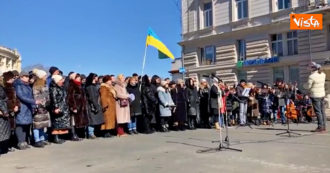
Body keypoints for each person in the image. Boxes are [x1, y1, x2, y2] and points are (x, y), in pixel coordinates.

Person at [14, 72, 40, 149]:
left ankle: (24, 141)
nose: (27, 78)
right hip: (21, 107)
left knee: (26, 125)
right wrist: (33, 102)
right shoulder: (18, 85)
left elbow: (31, 96)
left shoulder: (28, 85)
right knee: (20, 125)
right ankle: (20, 142)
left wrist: (33, 105)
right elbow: (21, 96)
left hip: (28, 107)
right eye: (25, 76)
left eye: (28, 76)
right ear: (21, 77)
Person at [31, 69, 51, 148]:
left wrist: (48, 102)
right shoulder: (36, 85)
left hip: (45, 107)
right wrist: (42, 102)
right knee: (37, 125)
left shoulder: (45, 84)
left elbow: (47, 95)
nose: (46, 77)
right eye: (44, 75)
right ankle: (37, 140)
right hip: (39, 107)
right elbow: (36, 97)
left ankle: (42, 138)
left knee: (43, 124)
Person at [49, 75, 71, 144]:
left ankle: (59, 137)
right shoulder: (54, 88)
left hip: (62, 107)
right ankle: (55, 138)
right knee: (56, 123)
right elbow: (54, 98)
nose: (62, 81)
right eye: (61, 80)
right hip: (57, 107)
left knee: (60, 123)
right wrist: (56, 107)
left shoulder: (61, 87)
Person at [67, 73, 89, 140]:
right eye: (78, 77)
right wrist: (73, 106)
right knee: (73, 121)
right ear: (74, 78)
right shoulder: (72, 85)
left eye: (79, 77)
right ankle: (73, 135)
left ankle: (78, 134)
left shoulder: (79, 85)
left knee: (78, 121)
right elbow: (70, 97)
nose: (79, 78)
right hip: (76, 106)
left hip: (80, 106)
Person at [306, 62, 326, 132]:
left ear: (313, 68)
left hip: (315, 95)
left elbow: (308, 86)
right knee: (322, 111)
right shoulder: (323, 74)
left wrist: (305, 86)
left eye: (311, 67)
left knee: (318, 111)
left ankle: (320, 127)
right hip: (322, 94)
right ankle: (324, 126)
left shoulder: (311, 76)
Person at [3, 71, 20, 152]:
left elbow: (16, 98)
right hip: (7, 110)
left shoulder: (13, 87)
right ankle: (7, 145)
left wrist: (17, 105)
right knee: (7, 129)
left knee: (12, 129)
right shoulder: (4, 88)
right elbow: (6, 101)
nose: (13, 79)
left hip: (13, 110)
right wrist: (11, 107)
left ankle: (11, 144)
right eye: (11, 78)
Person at [85, 73, 104, 139]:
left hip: (94, 104)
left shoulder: (93, 86)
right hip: (92, 105)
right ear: (93, 78)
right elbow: (92, 97)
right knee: (92, 120)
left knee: (94, 120)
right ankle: (90, 133)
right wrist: (96, 106)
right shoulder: (90, 87)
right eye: (96, 77)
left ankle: (93, 133)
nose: (97, 78)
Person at [0, 79, 10, 154]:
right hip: (2, 110)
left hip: (3, 108)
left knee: (3, 131)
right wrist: (4, 111)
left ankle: (4, 148)